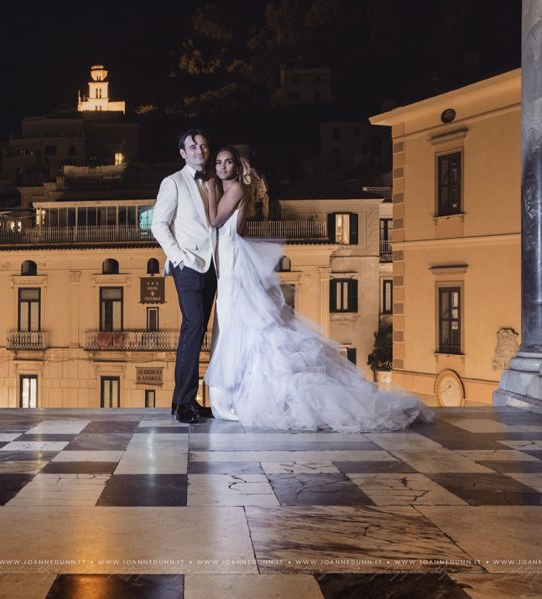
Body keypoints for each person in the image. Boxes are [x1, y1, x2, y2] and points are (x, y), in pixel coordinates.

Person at [201, 146, 436, 432]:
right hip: (227, 269)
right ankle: (234, 397)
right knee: (234, 331)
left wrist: (209, 189)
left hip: (234, 270)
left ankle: (238, 400)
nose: (222, 167)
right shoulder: (231, 190)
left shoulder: (235, 188)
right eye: (219, 163)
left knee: (241, 331)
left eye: (228, 162)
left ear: (237, 167)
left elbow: (215, 221)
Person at [150, 129, 218, 423]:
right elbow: (158, 225)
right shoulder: (173, 182)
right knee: (194, 325)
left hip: (213, 265)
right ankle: (186, 402)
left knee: (198, 330)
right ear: (183, 152)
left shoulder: (213, 181)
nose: (199, 150)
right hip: (187, 265)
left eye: (203, 145)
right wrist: (178, 258)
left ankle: (182, 402)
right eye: (193, 146)